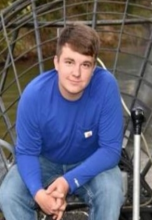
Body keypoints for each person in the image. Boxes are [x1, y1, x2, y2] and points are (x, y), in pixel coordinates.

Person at [0, 23, 124, 220]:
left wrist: (68, 182)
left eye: (85, 64)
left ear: (93, 68)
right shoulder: (34, 95)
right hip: (45, 160)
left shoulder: (106, 86)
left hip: (90, 161)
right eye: (69, 62)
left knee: (111, 192)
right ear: (56, 63)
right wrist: (39, 194)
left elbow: (110, 150)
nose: (76, 73)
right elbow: (26, 152)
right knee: (9, 194)